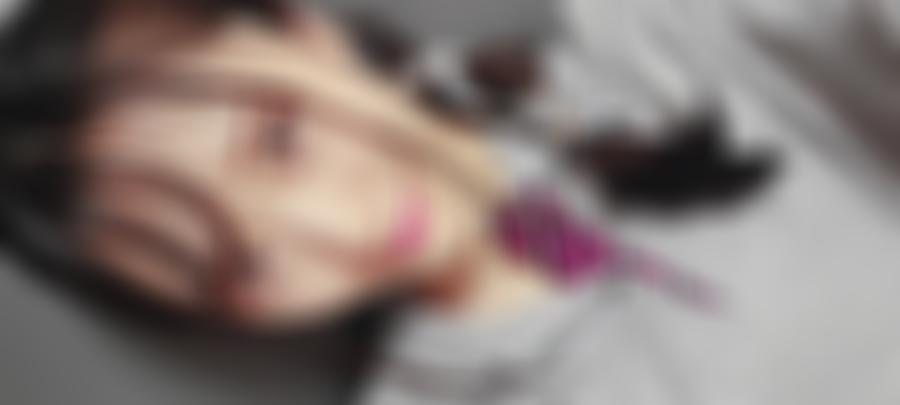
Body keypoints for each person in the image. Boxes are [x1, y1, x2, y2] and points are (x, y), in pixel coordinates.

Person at [0, 1, 762, 404]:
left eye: (278, 141)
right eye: (247, 265)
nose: (346, 229)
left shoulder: (663, 43)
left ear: (302, 32)